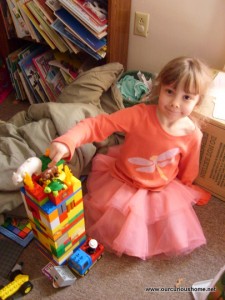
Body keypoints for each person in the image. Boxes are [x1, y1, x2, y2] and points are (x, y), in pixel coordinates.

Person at [48, 57, 213, 260]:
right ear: (159, 88)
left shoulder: (193, 134)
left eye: (186, 97)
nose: (175, 103)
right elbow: (99, 125)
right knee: (112, 221)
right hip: (122, 179)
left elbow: (189, 168)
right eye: (170, 91)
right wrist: (69, 140)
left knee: (162, 226)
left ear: (198, 101)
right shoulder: (139, 115)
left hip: (160, 187)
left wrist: (187, 189)